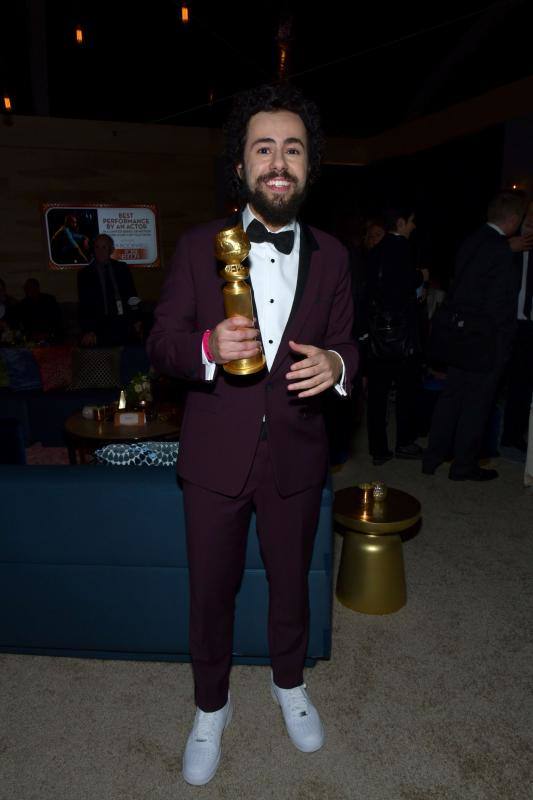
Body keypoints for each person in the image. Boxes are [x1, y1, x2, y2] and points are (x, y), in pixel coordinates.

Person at [147, 83, 358, 786]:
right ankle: (211, 705)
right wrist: (206, 344)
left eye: (292, 149)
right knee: (210, 591)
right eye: (262, 147)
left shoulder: (331, 254)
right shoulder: (195, 246)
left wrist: (335, 363)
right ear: (239, 166)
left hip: (298, 453)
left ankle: (289, 684)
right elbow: (161, 343)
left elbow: (346, 344)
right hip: (213, 457)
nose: (278, 161)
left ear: (308, 166)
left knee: (291, 584)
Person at [422, 189, 527, 481]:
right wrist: (506, 341)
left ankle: (432, 457)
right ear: (514, 219)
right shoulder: (501, 251)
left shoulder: (472, 240)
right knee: (477, 403)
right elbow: (500, 303)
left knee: (452, 396)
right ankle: (463, 465)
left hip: (459, 334)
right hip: (485, 339)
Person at [364, 207, 427, 465]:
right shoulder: (401, 248)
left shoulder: (374, 251)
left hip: (377, 334)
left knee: (377, 394)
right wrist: (420, 277)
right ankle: (404, 443)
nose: (413, 227)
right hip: (401, 335)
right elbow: (403, 286)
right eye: (412, 222)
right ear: (401, 222)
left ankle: (378, 449)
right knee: (406, 391)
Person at [500, 200, 533, 453]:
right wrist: (507, 249)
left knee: (523, 382)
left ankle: (513, 436)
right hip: (506, 320)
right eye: (528, 212)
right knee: (496, 380)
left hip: (529, 323)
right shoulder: (505, 243)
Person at [77, 234, 141, 346]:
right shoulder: (84, 274)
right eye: (97, 247)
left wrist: (137, 319)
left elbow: (132, 294)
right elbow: (84, 305)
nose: (100, 251)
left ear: (111, 250)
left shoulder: (122, 268)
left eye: (104, 247)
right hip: (99, 327)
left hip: (123, 323)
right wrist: (88, 330)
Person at [15, 278, 63, 343]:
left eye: (31, 287)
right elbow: (22, 322)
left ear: (37, 288)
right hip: (31, 336)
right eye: (27, 288)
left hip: (49, 334)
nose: (28, 290)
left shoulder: (49, 300)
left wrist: (48, 334)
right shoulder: (24, 303)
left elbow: (57, 319)